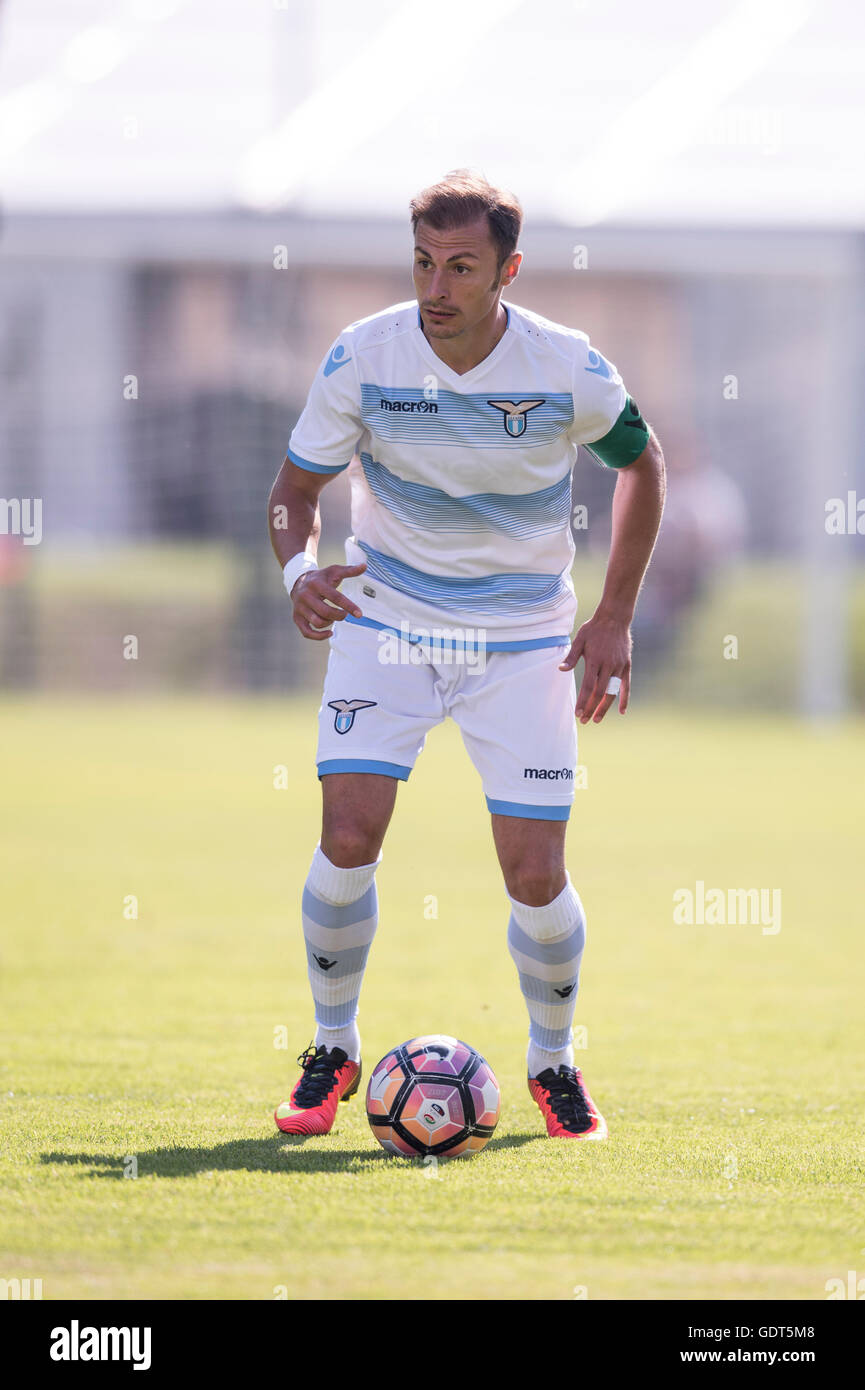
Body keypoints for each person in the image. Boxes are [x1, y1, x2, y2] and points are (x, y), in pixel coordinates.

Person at [267, 170, 665, 1141]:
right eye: (421, 264)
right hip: (385, 623)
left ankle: (553, 1061)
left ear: (507, 272)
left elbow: (643, 468)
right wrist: (298, 573)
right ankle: (331, 1046)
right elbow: (292, 493)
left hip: (523, 641)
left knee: (533, 871)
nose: (434, 289)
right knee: (348, 835)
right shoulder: (364, 355)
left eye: (459, 268)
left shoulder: (566, 365)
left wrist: (612, 615)